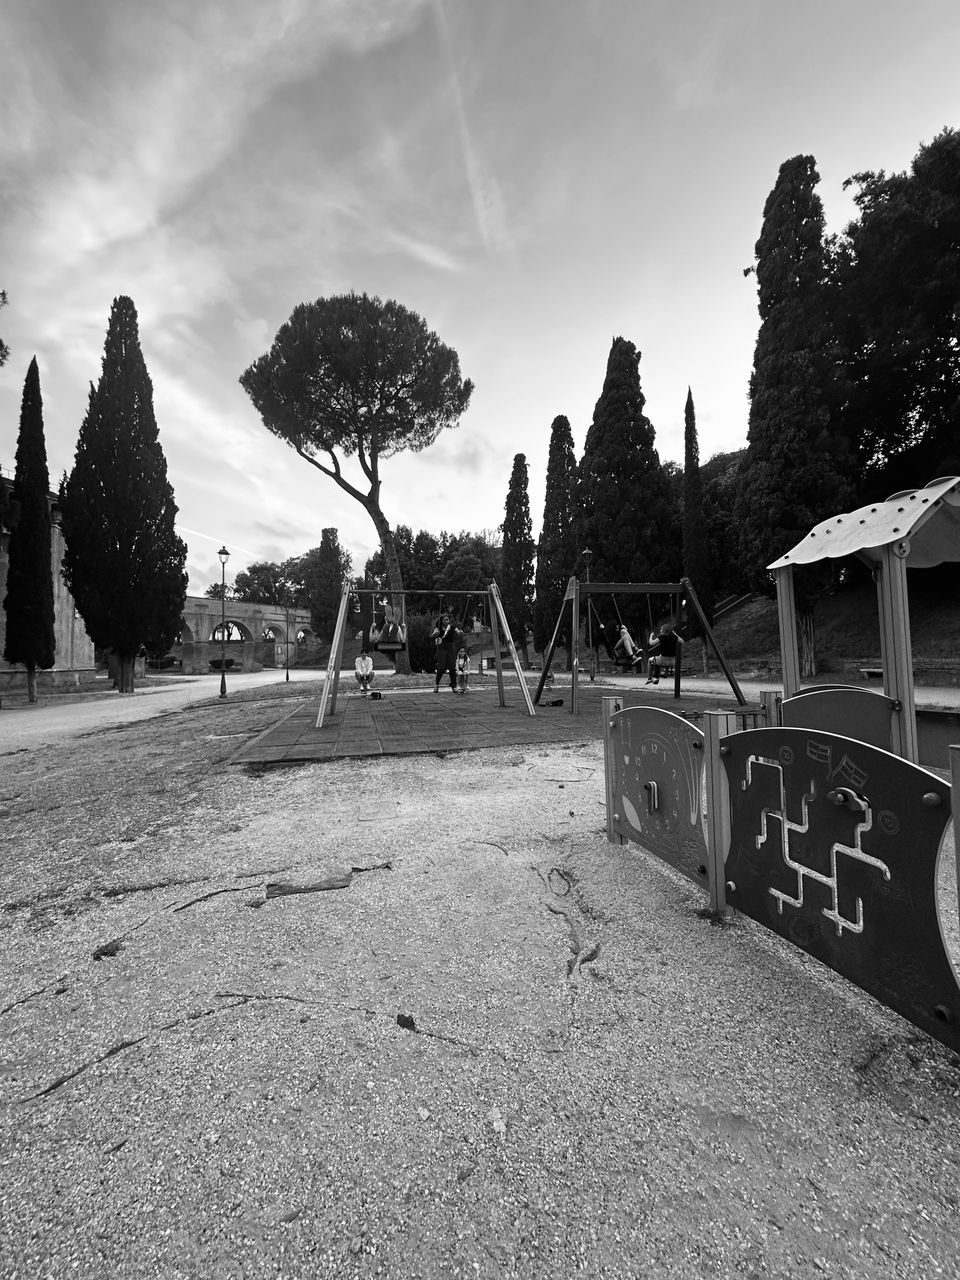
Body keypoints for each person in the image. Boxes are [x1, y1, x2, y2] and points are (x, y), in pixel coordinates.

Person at [431, 613, 463, 692]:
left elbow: (458, 633)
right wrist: (435, 634)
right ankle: (437, 685)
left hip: (450, 648)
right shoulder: (438, 628)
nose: (446, 621)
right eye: (445, 620)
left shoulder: (452, 627)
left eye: (447, 620)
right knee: (442, 667)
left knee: (452, 667)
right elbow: (432, 635)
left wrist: (461, 633)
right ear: (441, 621)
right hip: (442, 648)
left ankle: (454, 686)